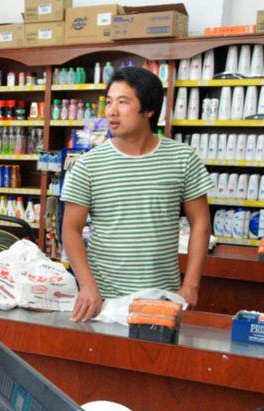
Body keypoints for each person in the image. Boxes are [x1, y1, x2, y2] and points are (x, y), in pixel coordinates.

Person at [61, 66, 213, 322]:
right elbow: (70, 230)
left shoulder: (183, 158)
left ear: (149, 109)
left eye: (123, 102)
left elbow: (201, 223)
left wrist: (191, 285)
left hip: (163, 299)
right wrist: (87, 286)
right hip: (104, 301)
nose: (111, 111)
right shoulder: (89, 164)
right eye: (109, 102)